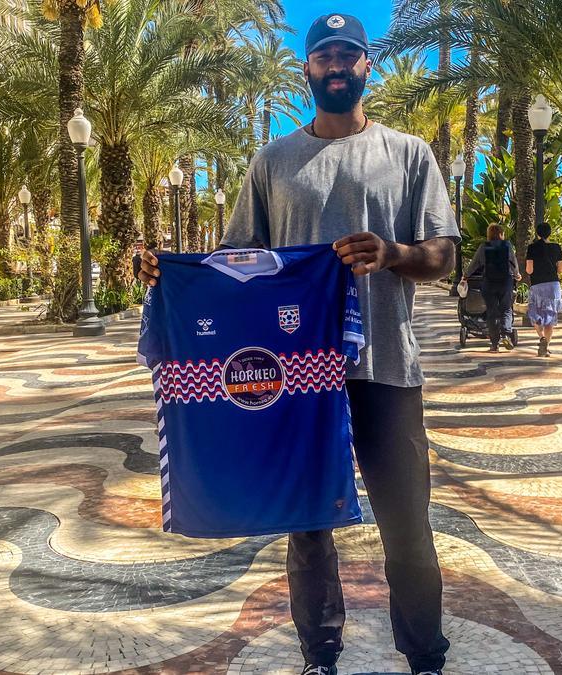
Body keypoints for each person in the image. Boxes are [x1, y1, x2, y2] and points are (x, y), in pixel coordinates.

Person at [137, 13, 456, 675]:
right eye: (323, 57)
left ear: (368, 65)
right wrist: (169, 272)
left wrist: (393, 251)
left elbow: (442, 254)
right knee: (308, 528)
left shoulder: (409, 154)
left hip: (388, 370)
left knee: (409, 529)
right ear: (306, 69)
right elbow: (235, 261)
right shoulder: (273, 162)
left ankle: (425, 655)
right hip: (301, 378)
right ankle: (320, 654)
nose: (336, 66)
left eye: (348, 55)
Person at [463, 224, 521, 351]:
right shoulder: (507, 246)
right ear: (501, 234)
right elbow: (513, 263)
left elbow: (474, 264)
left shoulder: (483, 247)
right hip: (505, 282)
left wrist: (465, 276)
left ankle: (495, 345)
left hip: (489, 282)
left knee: (492, 312)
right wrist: (517, 275)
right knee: (506, 309)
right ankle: (506, 334)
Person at [525, 223, 562, 358]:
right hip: (553, 285)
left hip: (537, 285)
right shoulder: (556, 247)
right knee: (550, 318)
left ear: (537, 233)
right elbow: (560, 269)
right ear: (550, 233)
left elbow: (529, 270)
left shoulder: (532, 248)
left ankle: (541, 338)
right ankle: (546, 346)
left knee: (535, 314)